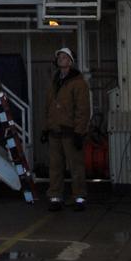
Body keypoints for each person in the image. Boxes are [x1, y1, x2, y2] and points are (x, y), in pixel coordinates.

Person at [41, 46, 90, 212]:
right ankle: (55, 196)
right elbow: (49, 107)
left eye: (64, 56)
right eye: (59, 56)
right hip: (55, 131)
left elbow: (82, 109)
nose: (60, 59)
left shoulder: (78, 84)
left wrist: (79, 132)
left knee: (75, 166)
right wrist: (46, 128)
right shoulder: (55, 82)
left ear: (70, 61)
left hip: (70, 132)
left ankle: (79, 196)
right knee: (55, 166)